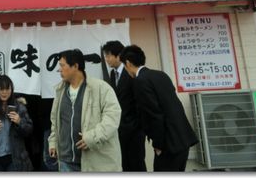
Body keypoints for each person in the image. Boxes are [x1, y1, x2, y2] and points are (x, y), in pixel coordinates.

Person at [119, 45, 198, 171]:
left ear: (128, 63)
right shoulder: (160, 74)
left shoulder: (140, 81)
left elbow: (154, 115)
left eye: (124, 66)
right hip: (183, 139)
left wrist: (158, 145)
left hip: (168, 144)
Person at [48, 49, 122, 172]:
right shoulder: (60, 90)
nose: (59, 69)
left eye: (62, 65)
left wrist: (92, 137)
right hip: (66, 161)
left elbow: (112, 117)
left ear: (76, 66)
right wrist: (53, 142)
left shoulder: (100, 88)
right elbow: (56, 121)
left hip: (96, 160)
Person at [102, 41, 146, 171]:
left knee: (137, 163)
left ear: (119, 55)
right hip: (119, 129)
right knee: (123, 163)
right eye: (106, 56)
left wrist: (136, 125)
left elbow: (139, 101)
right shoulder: (112, 74)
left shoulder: (131, 71)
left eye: (109, 55)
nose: (107, 59)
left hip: (134, 129)